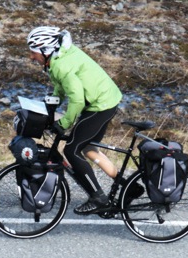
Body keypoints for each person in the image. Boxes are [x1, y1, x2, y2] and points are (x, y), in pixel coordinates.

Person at [26, 25, 122, 215]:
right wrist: (50, 107)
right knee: (87, 148)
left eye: (33, 52)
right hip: (104, 100)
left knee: (72, 150)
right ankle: (129, 187)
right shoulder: (59, 57)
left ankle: (98, 198)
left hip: (100, 105)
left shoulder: (61, 64)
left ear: (46, 50)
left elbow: (77, 99)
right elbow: (61, 88)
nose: (31, 57)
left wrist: (63, 123)